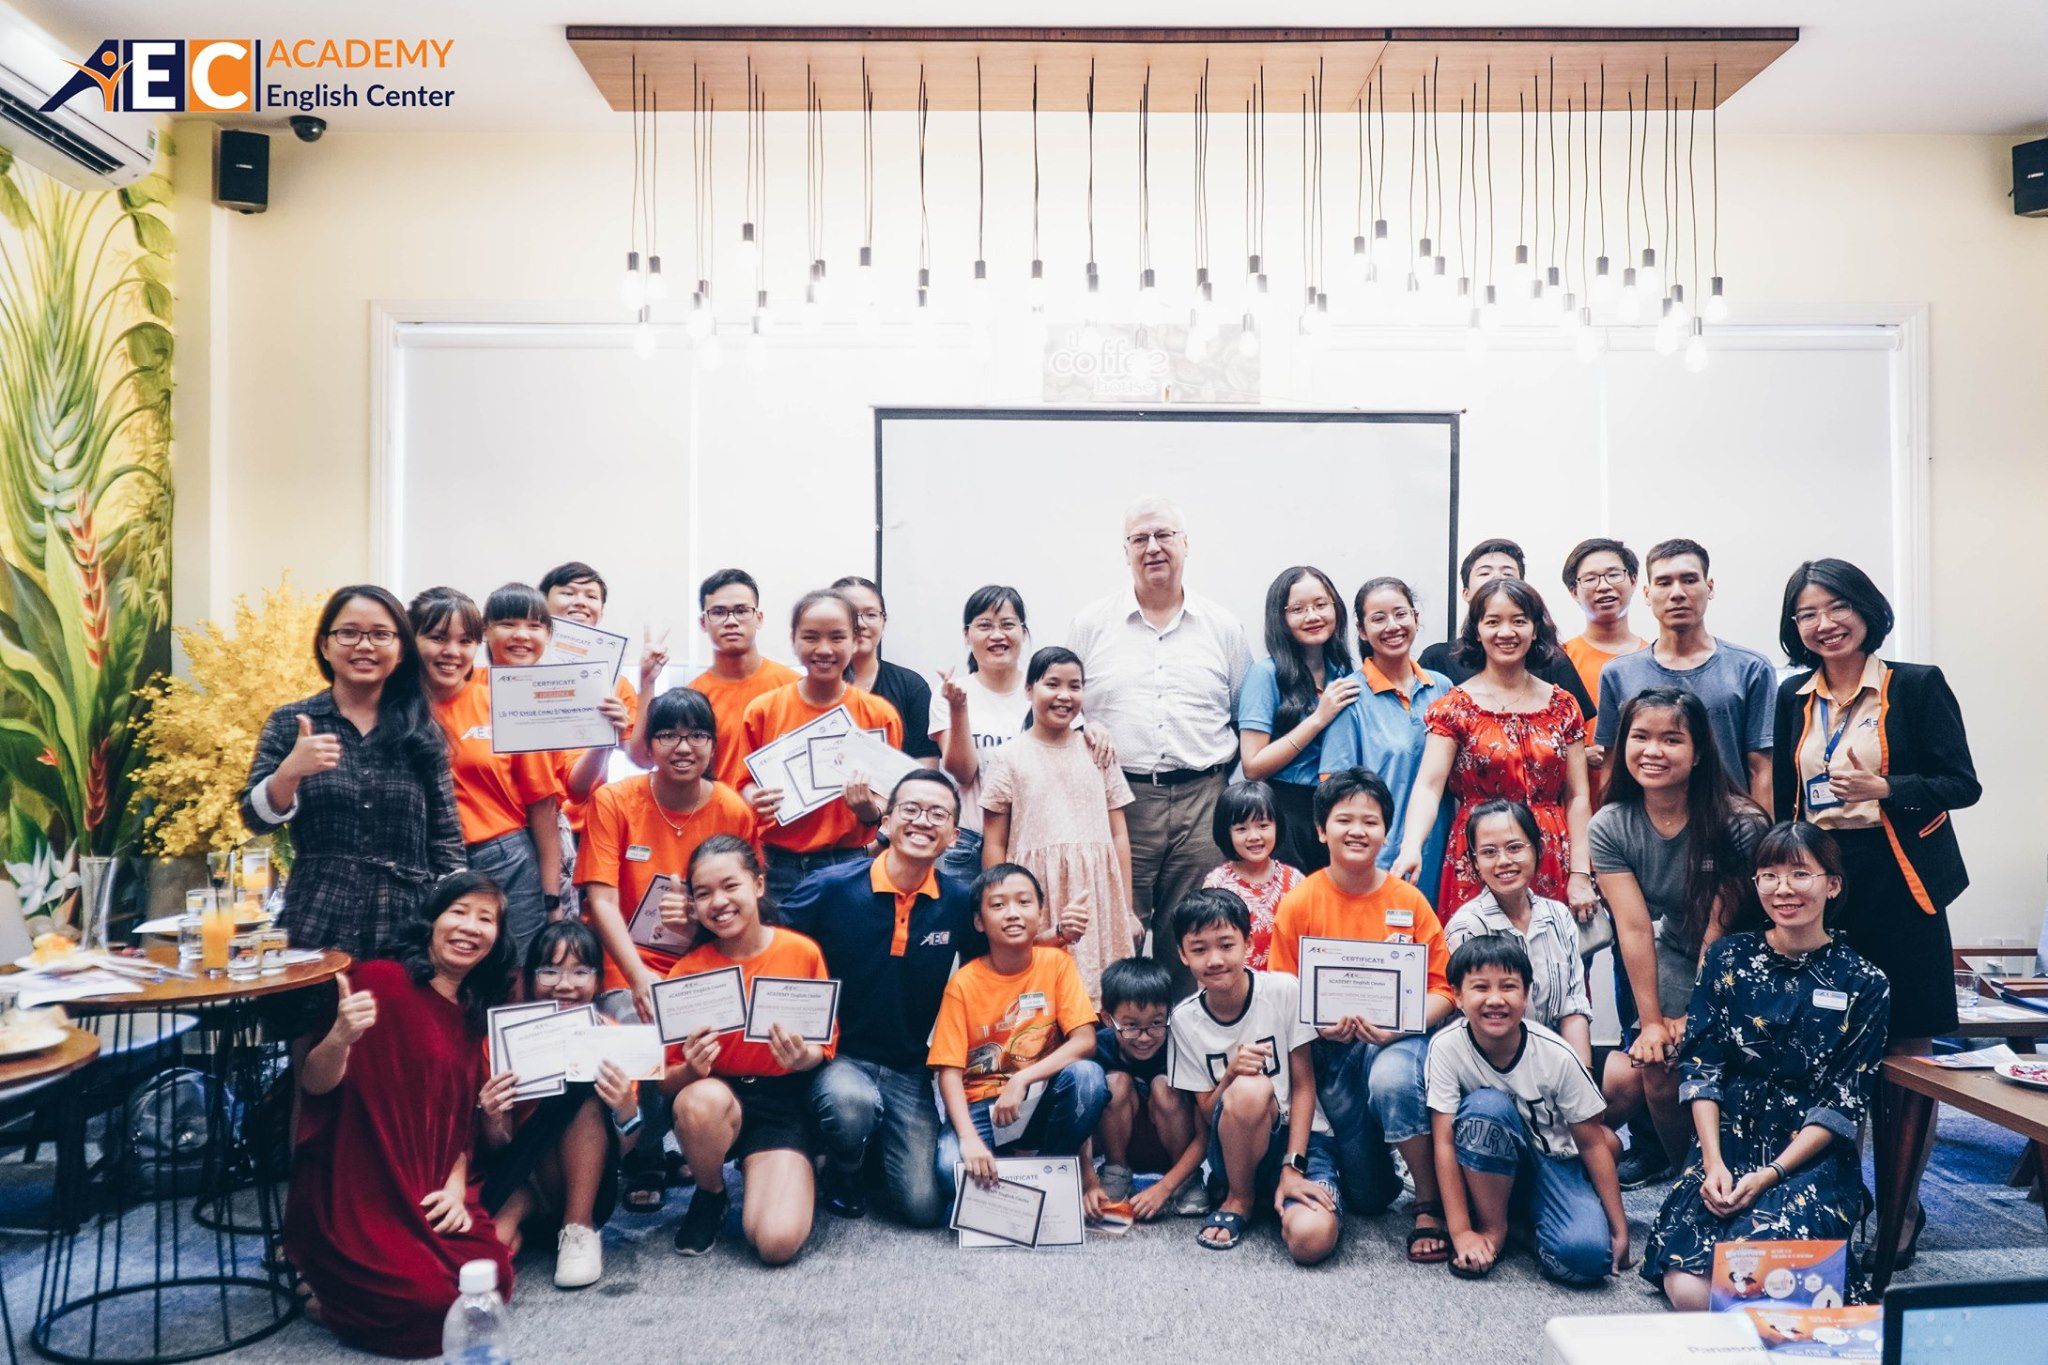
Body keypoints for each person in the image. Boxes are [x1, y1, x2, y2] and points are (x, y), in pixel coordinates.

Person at [1642, 822, 1889, 1311]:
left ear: (1832, 884)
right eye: (1769, 875)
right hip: (1729, 1138)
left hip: (1808, 1154)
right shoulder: (1727, 958)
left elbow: (1842, 1102)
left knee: (1760, 1280)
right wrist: (1712, 1162)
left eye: (1800, 874)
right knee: (1690, 1290)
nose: (1783, 889)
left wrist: (1772, 1174)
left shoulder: (1865, 982)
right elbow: (1702, 1068)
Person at [284, 871, 519, 1358]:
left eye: (485, 919)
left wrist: (454, 1188)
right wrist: (340, 1038)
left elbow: (457, 1125)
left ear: (497, 939)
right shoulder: (379, 980)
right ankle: (323, 1299)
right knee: (429, 1306)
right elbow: (315, 1085)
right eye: (458, 912)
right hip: (357, 1189)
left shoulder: (472, 1014)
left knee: (493, 1276)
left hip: (426, 1187)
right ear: (431, 921)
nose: (470, 927)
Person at [1773, 557, 1979, 1054]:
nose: (1825, 624)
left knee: (1907, 1022)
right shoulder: (1792, 695)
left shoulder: (1915, 685)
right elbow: (1785, 795)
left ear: (1866, 609)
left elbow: (1961, 785)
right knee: (1827, 1024)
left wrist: (1885, 788)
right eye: (1807, 614)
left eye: (1838, 607)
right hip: (1822, 874)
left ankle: (1910, 1112)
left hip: (1900, 871)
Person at [572, 685, 758, 1211]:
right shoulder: (614, 800)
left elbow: (744, 904)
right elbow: (600, 901)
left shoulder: (731, 808)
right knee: (639, 1027)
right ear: (648, 744)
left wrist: (698, 921)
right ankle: (644, 1156)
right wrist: (638, 977)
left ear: (713, 745)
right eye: (668, 735)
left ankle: (726, 1142)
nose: (683, 747)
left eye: (697, 735)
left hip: (704, 958)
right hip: (625, 961)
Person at [1066, 496, 1253, 983]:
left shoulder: (1223, 627)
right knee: (1115, 932)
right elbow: (1064, 708)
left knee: (1194, 935)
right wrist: (1086, 729)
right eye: (1140, 539)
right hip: (1120, 802)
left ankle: (1186, 1032)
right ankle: (1113, 1032)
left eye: (1164, 535)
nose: (1153, 547)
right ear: (1125, 551)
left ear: (1186, 544)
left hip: (1203, 803)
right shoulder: (1091, 625)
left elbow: (1243, 715)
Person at [1271, 769, 1456, 1262]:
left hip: (1393, 1045)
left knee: (1392, 1075)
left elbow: (1443, 990)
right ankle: (1347, 1162)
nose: (1357, 831)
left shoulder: (1409, 901)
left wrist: (1398, 1026)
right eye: (1344, 819)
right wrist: (1315, 1025)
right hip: (1323, 1056)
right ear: (1320, 830)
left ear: (1386, 833)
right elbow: (1281, 995)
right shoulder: (1300, 902)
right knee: (1371, 1199)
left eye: (1370, 821)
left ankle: (1427, 1201)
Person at [784, 770, 982, 1226]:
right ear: (887, 822)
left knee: (923, 1208)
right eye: (911, 809)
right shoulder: (831, 887)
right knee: (850, 1105)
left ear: (954, 836)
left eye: (938, 814)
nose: (923, 821)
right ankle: (844, 1166)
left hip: (907, 1067)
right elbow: (770, 943)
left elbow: (987, 970)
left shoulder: (958, 901)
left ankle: (871, 1148)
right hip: (838, 1058)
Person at [1593, 687, 1769, 1189]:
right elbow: (1633, 928)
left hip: (1741, 960)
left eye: (1672, 739)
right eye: (1640, 737)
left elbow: (1719, 932)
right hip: (1673, 948)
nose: (1653, 751)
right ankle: (1684, 1175)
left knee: (1697, 1052)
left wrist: (1696, 1017)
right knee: (1653, 1064)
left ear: (1698, 753)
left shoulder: (1739, 822)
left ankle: (1729, 1162)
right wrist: (1652, 1025)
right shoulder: (1611, 824)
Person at [241, 585, 464, 960]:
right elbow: (254, 818)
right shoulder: (291, 722)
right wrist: (289, 773)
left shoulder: (422, 731)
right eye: (348, 633)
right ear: (325, 646)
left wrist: (452, 918)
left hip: (405, 926)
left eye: (380, 634)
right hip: (316, 921)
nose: (364, 645)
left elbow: (447, 844)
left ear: (401, 650)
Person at [662, 835, 834, 1263]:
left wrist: (803, 1057)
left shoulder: (801, 951)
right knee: (699, 1100)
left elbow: (823, 1046)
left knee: (775, 1242)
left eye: (730, 886)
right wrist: (692, 1069)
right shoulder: (687, 970)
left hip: (781, 1102)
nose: (718, 902)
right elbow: (666, 1082)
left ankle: (792, 1170)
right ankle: (710, 1192)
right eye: (703, 893)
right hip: (718, 1099)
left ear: (757, 885)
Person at [1427, 933, 1628, 1283]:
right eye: (1480, 987)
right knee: (1487, 1107)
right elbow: (1444, 1142)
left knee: (1587, 1261)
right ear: (1457, 996)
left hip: (1553, 1161)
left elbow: (1592, 1143)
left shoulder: (1556, 1054)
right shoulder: (1446, 1047)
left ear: (1526, 994)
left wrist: (1619, 1228)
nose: (1495, 999)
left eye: (1508, 986)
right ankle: (1492, 1229)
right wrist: (1461, 1233)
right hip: (1485, 1165)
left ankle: (1522, 1226)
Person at [1394, 578, 1597, 923]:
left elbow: (1577, 796)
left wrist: (1580, 872)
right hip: (1479, 850)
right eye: (1493, 621)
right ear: (1477, 631)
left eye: (1519, 620)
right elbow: (1429, 785)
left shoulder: (1563, 705)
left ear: (1535, 629)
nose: (1506, 632)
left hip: (1547, 850)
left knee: (1548, 950)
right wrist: (1411, 846)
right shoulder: (1454, 707)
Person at [1169, 889, 1342, 1262]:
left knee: (1311, 1240)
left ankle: (1279, 1194)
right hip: (1235, 1150)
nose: (1215, 959)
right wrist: (1230, 1074)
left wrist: (1293, 1166)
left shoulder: (1283, 990)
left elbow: (1304, 1086)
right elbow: (1206, 1114)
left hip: (1300, 1143)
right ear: (1182, 955)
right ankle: (1240, 1198)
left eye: (1226, 945)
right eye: (1199, 949)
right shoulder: (1183, 1019)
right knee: (1249, 1088)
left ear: (1248, 944)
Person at [930, 863, 1110, 1203]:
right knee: (949, 1169)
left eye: (1024, 902)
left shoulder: (1056, 962)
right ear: (979, 922)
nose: (1012, 913)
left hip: (1039, 1096)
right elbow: (948, 1071)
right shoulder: (964, 983)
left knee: (1088, 1077)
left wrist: (1022, 1079)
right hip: (982, 1104)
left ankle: (1048, 1172)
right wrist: (969, 1139)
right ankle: (1008, 1169)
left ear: (1040, 914)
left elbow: (1085, 1041)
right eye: (998, 905)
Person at [478, 920, 642, 1288]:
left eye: (580, 972)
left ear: (598, 980)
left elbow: (626, 1148)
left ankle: (578, 1230)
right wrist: (491, 1116)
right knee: (486, 1256)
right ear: (529, 977)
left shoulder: (610, 1036)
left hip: (582, 1187)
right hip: (518, 1174)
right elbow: (496, 1148)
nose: (565, 984)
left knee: (584, 1090)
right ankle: (522, 1210)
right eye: (549, 971)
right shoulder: (501, 1040)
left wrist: (625, 1107)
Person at [409, 586, 566, 956]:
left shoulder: (502, 702)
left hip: (504, 859)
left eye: (465, 641)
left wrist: (551, 900)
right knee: (429, 967)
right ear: (411, 640)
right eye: (437, 638)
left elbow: (543, 807)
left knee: (515, 967)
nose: (452, 652)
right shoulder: (393, 711)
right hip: (421, 862)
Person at [980, 646, 1138, 1001]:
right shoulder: (1007, 757)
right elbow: (994, 842)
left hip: (1097, 893)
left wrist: (1126, 910)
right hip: (1037, 891)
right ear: (1029, 689)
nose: (1064, 695)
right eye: (1052, 684)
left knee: (1102, 997)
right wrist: (998, 906)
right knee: (1041, 995)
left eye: (1074, 686)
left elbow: (1119, 834)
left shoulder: (1099, 751)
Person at [739, 589, 901, 904]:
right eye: (811, 637)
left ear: (855, 640)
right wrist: (754, 798)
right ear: (793, 639)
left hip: (849, 862)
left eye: (837, 637)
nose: (824, 649)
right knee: (780, 938)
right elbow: (743, 783)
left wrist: (868, 810)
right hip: (777, 863)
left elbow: (890, 799)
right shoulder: (763, 710)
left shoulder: (879, 715)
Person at [1595, 539, 1776, 809]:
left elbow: (1760, 770)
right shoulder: (1618, 674)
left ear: (1709, 587)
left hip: (1728, 823)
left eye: (1689, 580)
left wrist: (1762, 833)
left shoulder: (1750, 669)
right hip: (1645, 827)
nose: (1677, 593)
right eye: (1664, 582)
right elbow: (1612, 767)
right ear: (1647, 593)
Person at [1320, 576, 1457, 905]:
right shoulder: (1349, 696)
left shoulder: (1442, 688)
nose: (1392, 626)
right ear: (1362, 630)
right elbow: (1334, 789)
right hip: (1380, 858)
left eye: (1400, 614)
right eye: (1378, 618)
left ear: (1416, 618)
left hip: (1443, 853)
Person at [1445, 800, 1594, 1065]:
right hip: (1491, 1066)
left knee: (1627, 1076)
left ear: (1537, 849)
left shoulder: (1559, 917)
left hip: (1556, 1061)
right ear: (1475, 863)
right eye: (1489, 852)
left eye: (1514, 848)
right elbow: (1476, 1023)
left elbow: (1573, 1008)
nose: (1503, 861)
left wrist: (1583, 1076)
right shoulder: (1466, 927)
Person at [1237, 565, 1359, 872]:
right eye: (1298, 609)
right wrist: (1318, 718)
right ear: (1280, 618)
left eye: (1321, 604)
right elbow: (1252, 766)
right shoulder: (1265, 675)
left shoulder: (1343, 671)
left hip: (1336, 808)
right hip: (1286, 811)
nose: (1312, 616)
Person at [537, 559, 663, 827]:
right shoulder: (521, 670)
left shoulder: (614, 683)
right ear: (542, 605)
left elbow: (642, 759)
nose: (580, 602)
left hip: (587, 824)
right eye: (568, 593)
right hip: (520, 825)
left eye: (591, 596)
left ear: (601, 612)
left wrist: (647, 682)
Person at [1080, 957, 1205, 1221]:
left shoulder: (1184, 1046)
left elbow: (1207, 1131)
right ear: (1107, 1019)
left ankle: (1188, 1181)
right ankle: (1115, 1173)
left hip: (1174, 1149)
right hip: (1122, 1147)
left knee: (1164, 1085)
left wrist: (1165, 1186)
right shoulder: (1097, 1048)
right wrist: (1088, 1180)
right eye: (1131, 1026)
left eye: (1156, 1023)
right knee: (1114, 1083)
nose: (1145, 1037)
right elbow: (1077, 1120)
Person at [1417, 539, 1596, 717]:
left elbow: (1580, 727)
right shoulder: (1437, 659)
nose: (1497, 578)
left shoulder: (1553, 659)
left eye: (1508, 573)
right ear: (1466, 593)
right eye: (1485, 572)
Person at [930, 585, 1034, 882]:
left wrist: (1096, 730)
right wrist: (958, 708)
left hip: (1029, 837)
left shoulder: (1043, 690)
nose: (997, 635)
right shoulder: (950, 692)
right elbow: (962, 774)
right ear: (967, 635)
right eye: (985, 626)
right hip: (968, 842)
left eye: (1007, 625)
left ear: (1023, 632)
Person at [686, 568, 798, 790]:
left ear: (759, 618)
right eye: (718, 612)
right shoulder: (693, 698)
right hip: (718, 811)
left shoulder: (793, 686)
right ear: (703, 623)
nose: (731, 621)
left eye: (741, 611)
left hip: (782, 810)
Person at [1558, 537, 1649, 768]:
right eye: (1590, 579)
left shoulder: (1655, 659)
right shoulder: (1558, 660)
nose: (1604, 586)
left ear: (1633, 580)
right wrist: (1579, 756)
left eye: (1614, 574)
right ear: (1573, 592)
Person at [833, 575, 941, 764]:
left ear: (883, 621)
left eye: (871, 614)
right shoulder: (808, 688)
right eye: (850, 614)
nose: (861, 624)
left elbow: (927, 769)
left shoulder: (911, 687)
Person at [1199, 779, 1303, 970]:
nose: (1254, 836)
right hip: (1235, 983)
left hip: (1287, 982)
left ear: (1277, 826)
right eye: (1241, 829)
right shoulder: (1217, 885)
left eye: (1263, 825)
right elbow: (1209, 946)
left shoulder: (1295, 881)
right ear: (1226, 833)